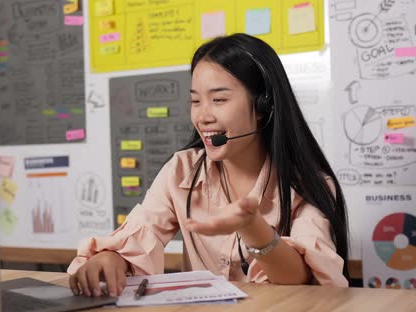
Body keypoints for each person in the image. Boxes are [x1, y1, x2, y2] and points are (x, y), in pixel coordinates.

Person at [68, 33, 349, 297]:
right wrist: (109, 258)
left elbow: (303, 279)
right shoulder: (181, 170)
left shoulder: (307, 184)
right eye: (195, 101)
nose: (203, 117)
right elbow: (143, 232)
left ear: (264, 107)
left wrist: (252, 226)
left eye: (219, 100)